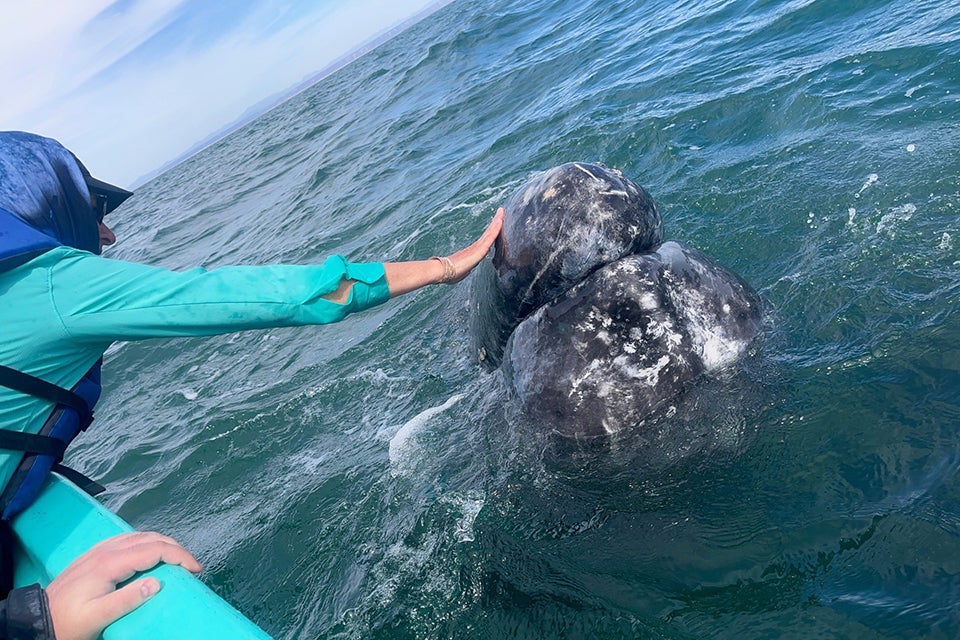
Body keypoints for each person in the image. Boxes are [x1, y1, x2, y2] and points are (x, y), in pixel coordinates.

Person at [0, 131, 503, 639]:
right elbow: (262, 295)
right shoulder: (49, 285)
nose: (107, 234)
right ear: (43, 204)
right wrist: (37, 625)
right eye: (94, 208)